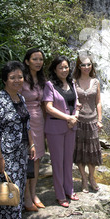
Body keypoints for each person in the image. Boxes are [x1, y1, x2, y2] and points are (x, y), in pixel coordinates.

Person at [0, 61, 36, 219]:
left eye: (20, 76)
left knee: (15, 187)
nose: (17, 80)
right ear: (5, 80)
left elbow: (27, 124)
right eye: (12, 77)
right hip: (6, 153)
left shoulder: (20, 98)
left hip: (21, 151)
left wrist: (31, 144)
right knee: (11, 187)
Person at [43, 56, 79, 208]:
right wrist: (68, 118)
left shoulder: (71, 83)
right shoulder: (49, 85)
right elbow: (48, 107)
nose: (64, 70)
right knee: (57, 162)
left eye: (66, 67)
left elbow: (77, 103)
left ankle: (69, 190)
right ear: (54, 70)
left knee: (68, 160)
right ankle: (59, 194)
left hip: (71, 127)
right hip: (56, 128)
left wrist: (75, 116)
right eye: (61, 68)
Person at [73, 55, 103, 193]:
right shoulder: (74, 82)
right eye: (83, 65)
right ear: (79, 66)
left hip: (92, 120)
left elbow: (98, 102)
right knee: (80, 151)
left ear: (92, 66)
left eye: (88, 64)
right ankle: (83, 179)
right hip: (79, 121)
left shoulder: (96, 82)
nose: (86, 67)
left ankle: (91, 177)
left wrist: (99, 120)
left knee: (92, 151)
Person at [22, 48, 46, 211]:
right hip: (25, 121)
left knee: (36, 158)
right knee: (26, 158)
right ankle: (26, 197)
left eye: (40, 59)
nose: (38, 62)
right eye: (35, 59)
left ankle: (34, 192)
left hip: (40, 121)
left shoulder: (42, 79)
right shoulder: (21, 79)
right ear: (27, 61)